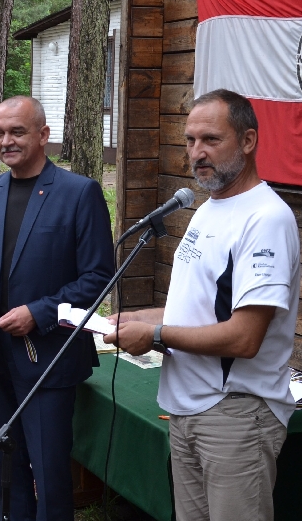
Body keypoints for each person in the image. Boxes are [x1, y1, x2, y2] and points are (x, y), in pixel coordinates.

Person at [104, 89, 300, 521]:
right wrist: (136, 318)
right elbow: (201, 310)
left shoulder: (265, 218)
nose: (197, 152)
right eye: (190, 140)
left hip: (236, 415)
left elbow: (245, 337)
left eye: (211, 139)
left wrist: (155, 335)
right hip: (187, 408)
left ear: (248, 141)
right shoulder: (209, 208)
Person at [0, 96, 115, 520]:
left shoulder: (79, 193)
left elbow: (99, 278)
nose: (6, 141)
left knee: (50, 476)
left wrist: (40, 313)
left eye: (17, 132)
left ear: (43, 135)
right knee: (6, 474)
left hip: (49, 360)